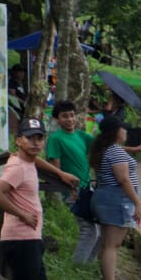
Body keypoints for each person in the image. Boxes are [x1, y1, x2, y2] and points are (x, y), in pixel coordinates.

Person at [0, 118, 54, 280]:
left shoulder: (25, 161)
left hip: (30, 238)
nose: (35, 142)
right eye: (30, 138)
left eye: (39, 138)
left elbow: (36, 161)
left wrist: (60, 174)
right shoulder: (18, 167)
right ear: (18, 140)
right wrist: (22, 214)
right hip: (21, 239)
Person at [89, 116, 141, 280]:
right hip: (117, 200)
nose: (126, 131)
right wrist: (137, 202)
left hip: (106, 197)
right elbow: (123, 179)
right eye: (123, 128)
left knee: (107, 244)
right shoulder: (115, 152)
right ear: (116, 132)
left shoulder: (104, 149)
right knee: (113, 244)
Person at [45, 100, 100, 264]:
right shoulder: (55, 139)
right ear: (57, 119)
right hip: (73, 192)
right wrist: (68, 189)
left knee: (98, 230)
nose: (69, 119)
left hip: (87, 188)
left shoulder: (81, 135)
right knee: (88, 230)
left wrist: (133, 150)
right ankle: (78, 266)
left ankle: (87, 265)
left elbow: (103, 147)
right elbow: (56, 170)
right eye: (64, 116)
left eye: (72, 115)